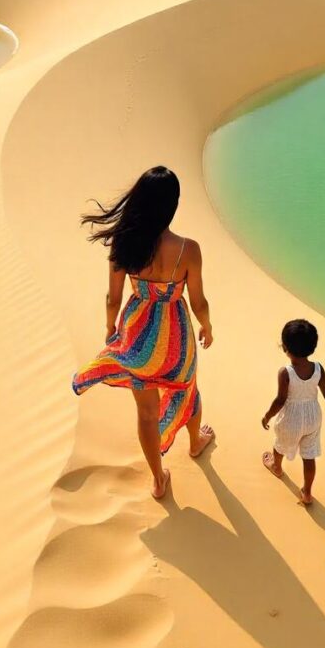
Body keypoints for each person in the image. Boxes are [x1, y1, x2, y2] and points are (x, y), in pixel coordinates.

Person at [72, 166, 214, 499]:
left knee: (147, 413)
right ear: (172, 205)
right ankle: (195, 443)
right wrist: (207, 324)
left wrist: (110, 327)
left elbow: (113, 297)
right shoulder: (187, 249)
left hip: (136, 337)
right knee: (186, 390)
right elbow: (198, 301)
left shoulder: (124, 243)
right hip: (175, 335)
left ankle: (158, 478)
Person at [262, 319, 325, 504]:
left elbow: (280, 400)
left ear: (285, 348)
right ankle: (307, 492)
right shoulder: (318, 369)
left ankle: (276, 466)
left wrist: (267, 415)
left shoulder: (285, 373)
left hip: (291, 419)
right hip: (314, 416)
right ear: (313, 347)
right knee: (309, 455)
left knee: (280, 444)